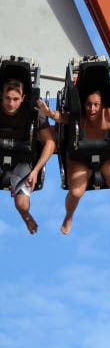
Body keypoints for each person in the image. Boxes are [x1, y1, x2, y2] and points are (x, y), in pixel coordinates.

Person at [38, 90, 110, 235]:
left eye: (96, 105)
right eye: (88, 104)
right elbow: (63, 118)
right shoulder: (80, 117)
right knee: (76, 193)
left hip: (107, 157)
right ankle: (69, 216)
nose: (92, 109)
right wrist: (50, 113)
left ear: (102, 105)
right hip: (81, 158)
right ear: (83, 105)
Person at [0, 79, 55, 234]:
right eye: (7, 99)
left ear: (23, 98)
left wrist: (36, 170)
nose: (11, 103)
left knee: (22, 205)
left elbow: (50, 143)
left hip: (22, 159)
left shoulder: (34, 112)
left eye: (15, 99)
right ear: (2, 96)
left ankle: (25, 214)